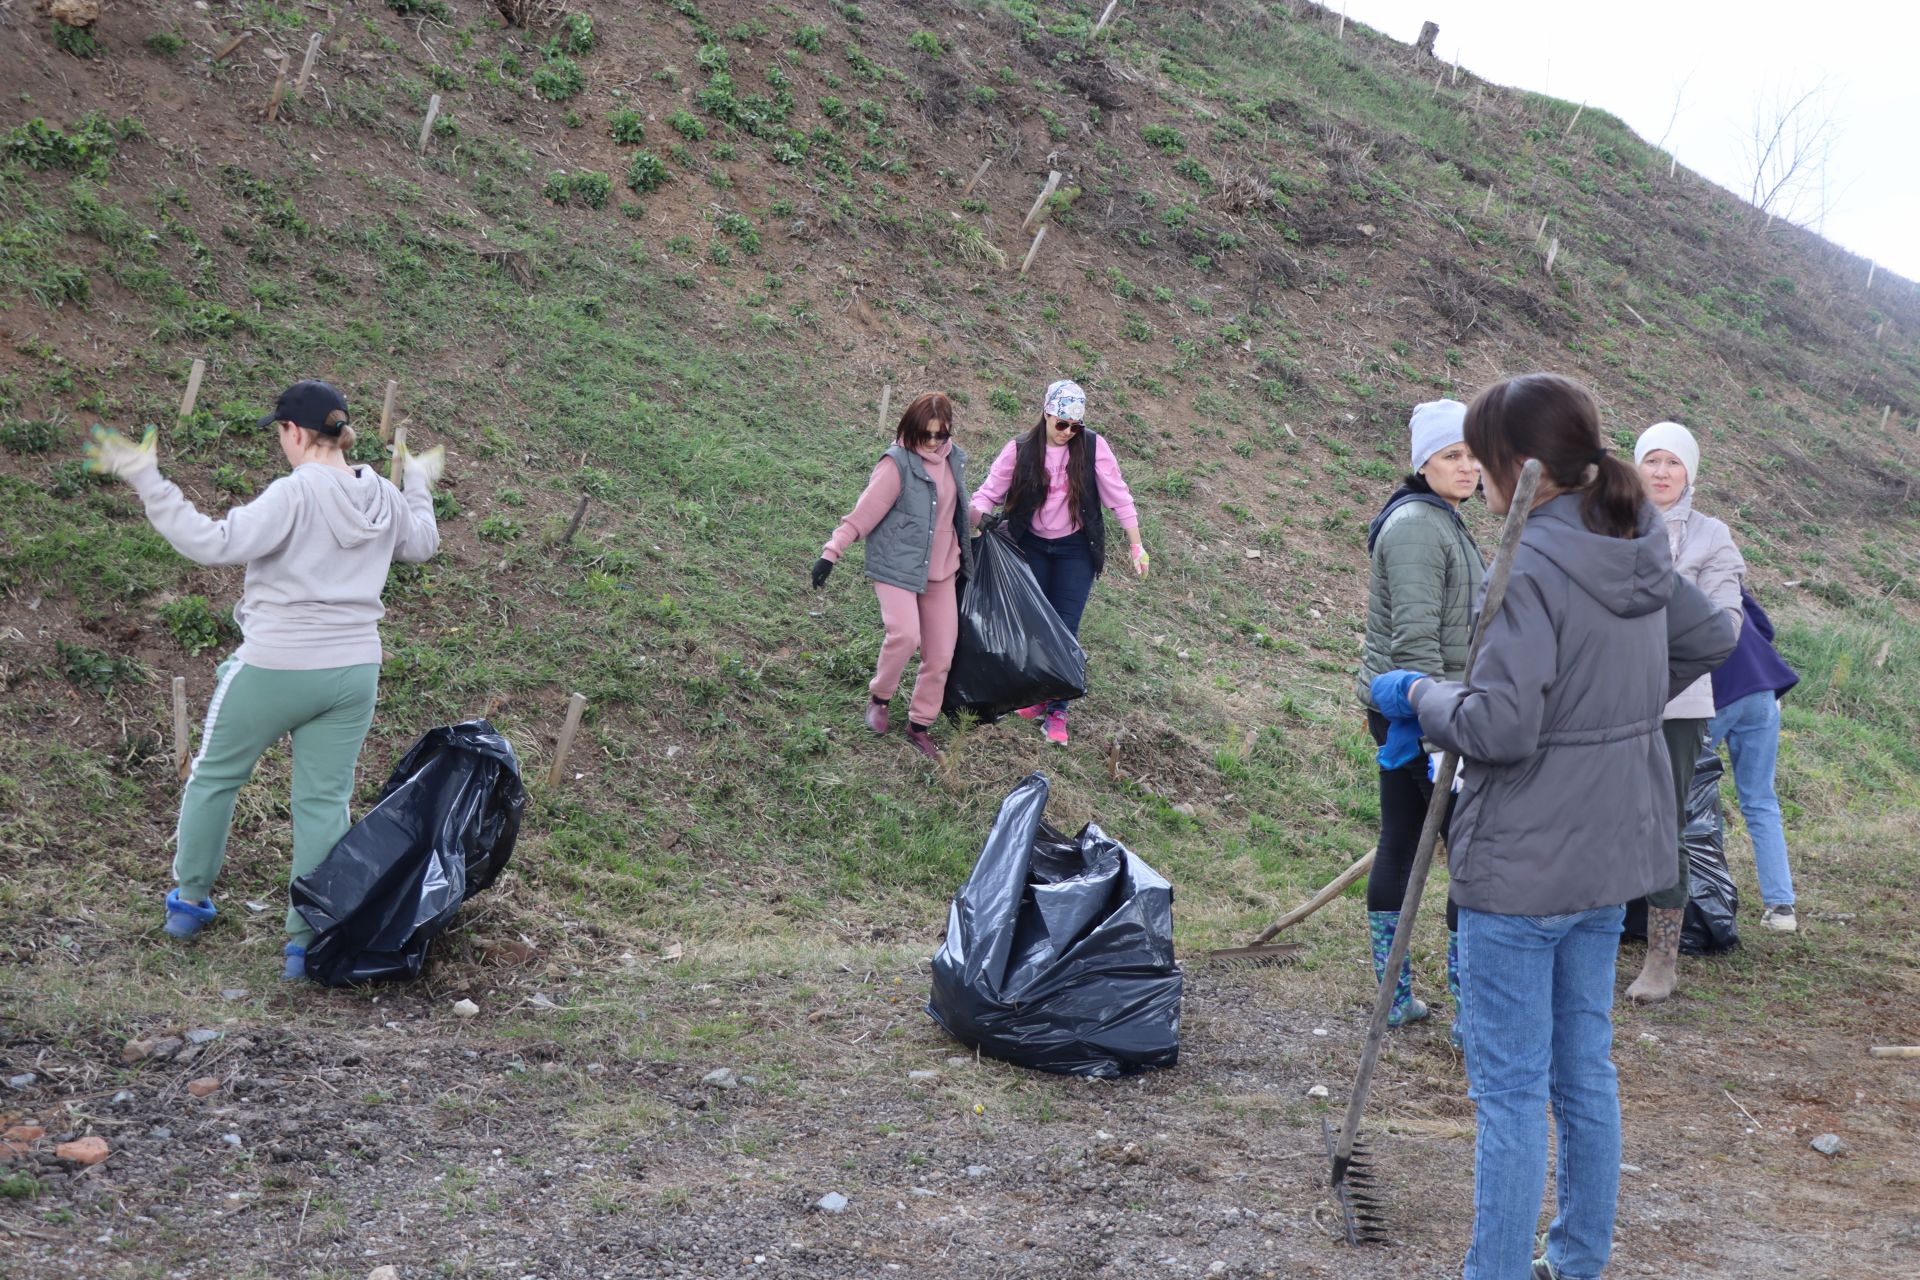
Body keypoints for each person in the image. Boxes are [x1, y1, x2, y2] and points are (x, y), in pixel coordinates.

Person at [1369, 373, 1735, 1280]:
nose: (1479, 474)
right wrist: (1610, 710)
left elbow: (1500, 726)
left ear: (1518, 464)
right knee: (1584, 1077)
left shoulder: (1530, 561)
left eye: (1483, 454)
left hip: (1525, 865)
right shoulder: (1636, 531)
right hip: (1609, 851)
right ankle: (1576, 1265)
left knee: (1510, 1095)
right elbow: (1708, 637)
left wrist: (1416, 694)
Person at [83, 381, 443, 981]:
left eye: (279, 433)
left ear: (295, 433)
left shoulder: (294, 491)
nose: (281, 444)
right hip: (354, 670)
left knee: (214, 777)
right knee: (324, 804)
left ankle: (189, 904)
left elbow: (212, 543)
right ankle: (304, 943)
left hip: (276, 664)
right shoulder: (381, 492)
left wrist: (146, 475)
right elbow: (423, 544)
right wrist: (418, 480)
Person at [1354, 400, 1483, 1042]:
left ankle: (1400, 998)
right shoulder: (1415, 528)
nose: (1468, 466)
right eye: (1452, 455)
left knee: (1409, 841)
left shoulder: (1446, 520)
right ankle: (1462, 1014)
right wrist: (1437, 738)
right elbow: (1414, 648)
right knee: (1463, 853)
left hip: (1436, 712)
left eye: (1473, 454)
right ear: (1422, 462)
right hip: (1421, 719)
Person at [1627, 421, 1745, 1002]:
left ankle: (1661, 957)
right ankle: (1591, 937)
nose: (1661, 473)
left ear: (1690, 473)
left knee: (1661, 822)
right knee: (1597, 812)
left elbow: (1726, 623)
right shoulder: (1609, 525)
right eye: (1652, 461)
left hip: (1677, 701)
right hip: (1603, 696)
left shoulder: (1711, 536)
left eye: (1673, 463)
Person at [967, 379, 1148, 746]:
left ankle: (1058, 709)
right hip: (1030, 545)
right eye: (1061, 424)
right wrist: (975, 518)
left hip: (1075, 549)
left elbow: (1119, 497)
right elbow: (987, 493)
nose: (1068, 433)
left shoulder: (1093, 447)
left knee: (1065, 630)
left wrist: (1136, 546)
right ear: (1046, 414)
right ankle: (1036, 695)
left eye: (1075, 426)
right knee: (1035, 624)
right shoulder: (1020, 448)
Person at [812, 391, 974, 762]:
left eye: (941, 435)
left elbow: (955, 510)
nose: (933, 442)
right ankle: (880, 698)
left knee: (941, 654)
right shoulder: (896, 463)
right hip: (897, 568)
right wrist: (831, 552)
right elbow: (862, 515)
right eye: (926, 434)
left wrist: (985, 519)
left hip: (940, 572)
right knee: (903, 636)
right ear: (911, 428)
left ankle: (920, 724)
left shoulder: (954, 461)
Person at [1709, 586, 1801, 933]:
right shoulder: (1727, 577)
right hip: (1762, 687)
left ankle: (1711, 895)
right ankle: (1781, 908)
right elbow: (1765, 628)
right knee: (1761, 800)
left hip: (1714, 693)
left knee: (1694, 793)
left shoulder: (1668, 573)